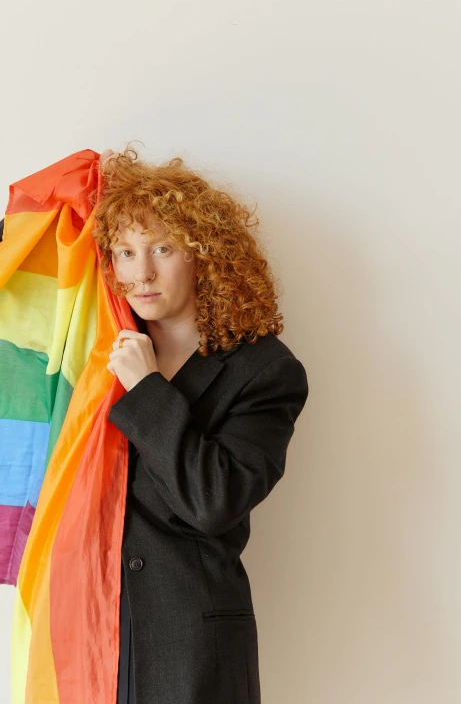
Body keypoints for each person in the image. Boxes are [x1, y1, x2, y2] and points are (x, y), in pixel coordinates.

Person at [83, 144, 309, 704]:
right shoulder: (97, 349)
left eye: (162, 248)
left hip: (190, 637)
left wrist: (149, 389)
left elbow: (215, 500)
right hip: (93, 621)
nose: (141, 272)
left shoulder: (265, 370)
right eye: (125, 252)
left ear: (205, 255)